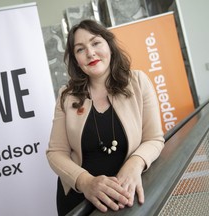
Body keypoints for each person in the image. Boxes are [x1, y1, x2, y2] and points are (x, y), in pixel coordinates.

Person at [46, 19, 164, 216]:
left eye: (95, 43)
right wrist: (86, 182)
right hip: (79, 200)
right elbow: (55, 152)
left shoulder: (138, 82)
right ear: (76, 60)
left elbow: (154, 138)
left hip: (127, 193)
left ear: (109, 45)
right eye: (80, 49)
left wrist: (134, 163)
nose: (90, 53)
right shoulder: (66, 96)